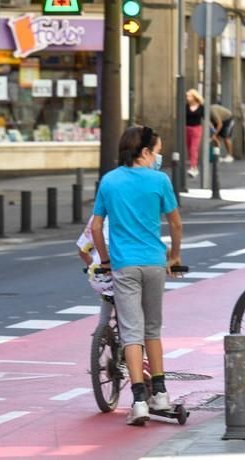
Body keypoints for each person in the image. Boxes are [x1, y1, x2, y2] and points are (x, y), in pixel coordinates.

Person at [91, 126, 184, 426]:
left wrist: (105, 260)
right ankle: (161, 394)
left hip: (123, 265)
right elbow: (176, 223)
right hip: (155, 263)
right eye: (157, 152)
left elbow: (95, 228)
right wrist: (175, 256)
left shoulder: (109, 181)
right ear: (144, 152)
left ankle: (139, 400)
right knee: (152, 329)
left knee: (131, 332)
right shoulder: (160, 180)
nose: (159, 157)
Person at [76, 215, 114, 326]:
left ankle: (102, 329)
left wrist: (91, 265)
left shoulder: (97, 217)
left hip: (99, 273)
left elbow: (82, 251)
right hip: (128, 269)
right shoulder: (135, 211)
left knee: (108, 296)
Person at [185, 89, 204, 178]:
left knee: (193, 148)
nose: (188, 98)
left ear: (194, 97)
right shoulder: (186, 106)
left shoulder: (201, 107)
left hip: (197, 128)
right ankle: (193, 166)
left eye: (189, 96)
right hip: (187, 128)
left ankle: (193, 167)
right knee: (189, 148)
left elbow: (205, 118)